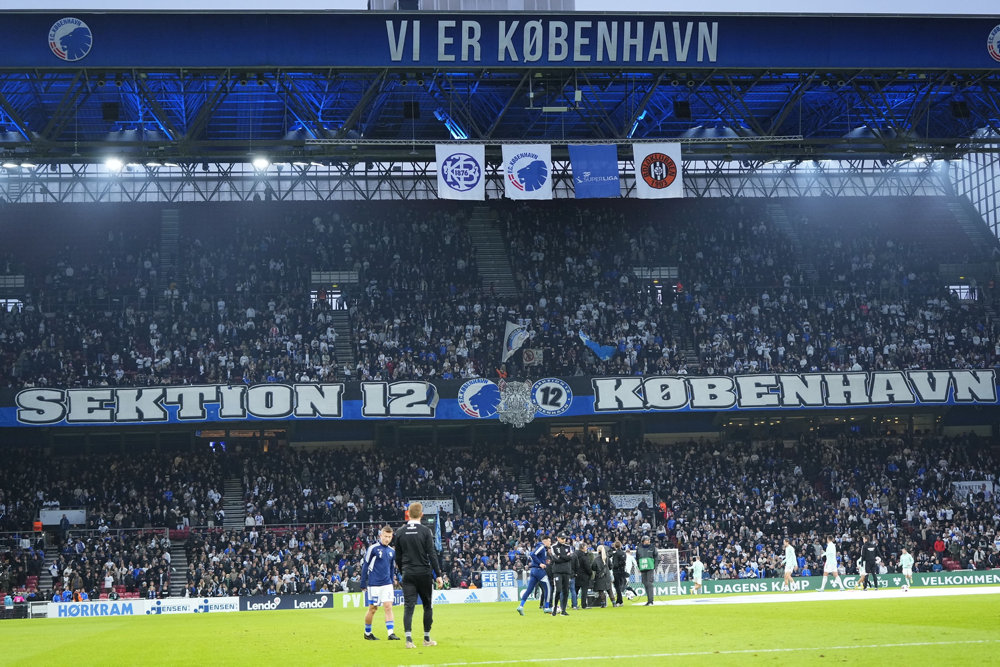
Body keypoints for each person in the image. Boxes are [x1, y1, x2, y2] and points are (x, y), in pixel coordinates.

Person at [394, 502, 443, 649]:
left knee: (409, 607)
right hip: (423, 573)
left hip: (408, 573)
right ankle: (426, 638)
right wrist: (438, 575)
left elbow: (398, 557)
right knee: (427, 606)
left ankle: (409, 640)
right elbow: (432, 554)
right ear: (421, 515)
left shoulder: (400, 532)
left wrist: (403, 571)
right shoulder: (425, 531)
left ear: (408, 514)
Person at [362, 525, 400, 641]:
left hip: (387, 584)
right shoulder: (373, 548)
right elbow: (365, 565)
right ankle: (367, 633)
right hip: (374, 584)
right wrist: (363, 582)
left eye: (389, 537)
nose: (387, 539)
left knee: (388, 607)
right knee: (373, 609)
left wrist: (392, 580)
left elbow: (391, 568)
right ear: (380, 536)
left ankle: (391, 633)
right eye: (385, 536)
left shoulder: (392, 551)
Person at [517, 535, 552, 616]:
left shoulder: (541, 547)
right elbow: (533, 554)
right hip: (539, 571)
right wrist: (540, 564)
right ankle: (546, 607)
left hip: (533, 571)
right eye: (549, 541)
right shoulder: (542, 547)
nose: (550, 543)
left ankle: (521, 606)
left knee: (529, 590)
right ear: (545, 540)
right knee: (548, 588)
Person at [549, 533, 573, 616]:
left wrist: (561, 556)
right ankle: (555, 608)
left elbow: (570, 558)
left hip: (566, 571)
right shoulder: (553, 547)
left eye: (565, 538)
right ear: (557, 538)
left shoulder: (568, 547)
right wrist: (565, 557)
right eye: (562, 538)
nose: (564, 540)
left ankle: (563, 610)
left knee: (566, 591)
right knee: (558, 590)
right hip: (557, 572)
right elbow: (555, 559)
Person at [636, 535, 656, 605]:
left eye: (649, 540)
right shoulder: (639, 548)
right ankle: (649, 600)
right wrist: (639, 567)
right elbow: (637, 558)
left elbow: (656, 557)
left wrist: (654, 566)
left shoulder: (653, 547)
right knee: (645, 583)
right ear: (643, 541)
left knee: (649, 583)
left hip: (650, 568)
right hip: (643, 568)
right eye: (647, 540)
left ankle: (651, 601)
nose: (649, 541)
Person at [574, 542, 593, 609]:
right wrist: (590, 573)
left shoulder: (574, 555)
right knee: (584, 591)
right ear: (583, 548)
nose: (586, 548)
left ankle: (574, 604)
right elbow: (587, 566)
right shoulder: (584, 557)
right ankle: (584, 605)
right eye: (586, 547)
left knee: (575, 591)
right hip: (584, 576)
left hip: (576, 575)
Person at [609, 540, 627, 607]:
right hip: (622, 571)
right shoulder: (623, 553)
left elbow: (615, 564)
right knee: (619, 586)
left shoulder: (616, 554)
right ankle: (619, 601)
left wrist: (612, 566)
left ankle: (620, 601)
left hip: (617, 572)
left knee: (617, 587)